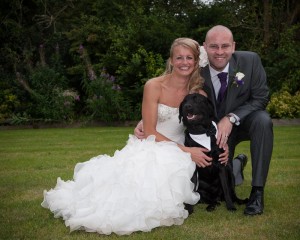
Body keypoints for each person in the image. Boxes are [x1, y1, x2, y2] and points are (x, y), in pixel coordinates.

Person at [41, 38, 228, 235]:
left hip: (181, 148)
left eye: (189, 58)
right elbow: (149, 131)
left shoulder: (197, 92)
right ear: (171, 60)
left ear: (196, 61)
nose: (184, 62)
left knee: (177, 189)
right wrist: (187, 151)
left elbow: (211, 125)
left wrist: (223, 147)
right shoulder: (154, 86)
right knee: (136, 194)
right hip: (152, 145)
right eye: (179, 57)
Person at [135, 25, 273, 216]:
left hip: (239, 123)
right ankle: (236, 166)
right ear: (205, 48)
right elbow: (173, 102)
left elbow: (261, 97)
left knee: (263, 120)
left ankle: (257, 192)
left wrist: (231, 118)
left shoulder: (248, 62)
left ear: (233, 46)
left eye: (225, 46)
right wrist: (145, 122)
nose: (219, 52)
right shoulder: (197, 72)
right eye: (214, 46)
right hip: (199, 134)